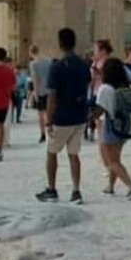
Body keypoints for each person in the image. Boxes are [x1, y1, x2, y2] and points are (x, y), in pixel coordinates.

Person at [36, 27, 89, 204]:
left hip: (62, 116)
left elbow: (52, 95)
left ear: (60, 44)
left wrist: (49, 119)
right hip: (80, 115)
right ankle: (76, 190)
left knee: (52, 152)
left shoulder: (57, 66)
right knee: (74, 154)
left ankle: (52, 189)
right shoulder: (83, 64)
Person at [94, 56, 131, 199]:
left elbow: (100, 110)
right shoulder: (125, 87)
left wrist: (87, 118)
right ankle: (110, 187)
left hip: (110, 126)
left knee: (111, 161)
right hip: (124, 126)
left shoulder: (105, 88)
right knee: (116, 158)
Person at [29, 44, 54, 144]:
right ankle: (50, 131)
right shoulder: (49, 61)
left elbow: (35, 79)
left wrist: (35, 92)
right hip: (49, 90)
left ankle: (43, 134)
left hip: (40, 91)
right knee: (49, 113)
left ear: (31, 53)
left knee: (40, 114)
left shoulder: (33, 64)